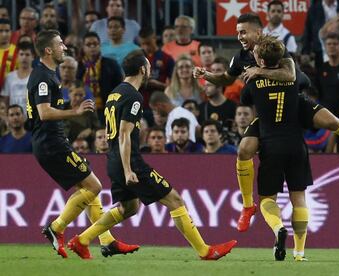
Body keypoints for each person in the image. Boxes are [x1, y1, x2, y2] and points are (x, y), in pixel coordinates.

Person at [193, 12, 339, 234]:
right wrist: (206, 75)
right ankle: (247, 206)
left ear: (258, 31)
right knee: (244, 150)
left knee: (332, 122)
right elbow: (226, 78)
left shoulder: (275, 47)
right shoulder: (240, 58)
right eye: (237, 33)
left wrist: (259, 70)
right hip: (266, 111)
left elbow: (290, 75)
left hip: (293, 99)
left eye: (243, 31)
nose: (240, 36)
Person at [67, 49, 237, 260]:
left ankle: (82, 240)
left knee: (128, 208)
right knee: (175, 200)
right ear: (142, 69)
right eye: (147, 66)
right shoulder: (134, 96)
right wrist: (129, 169)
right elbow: (124, 134)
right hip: (129, 161)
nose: (150, 69)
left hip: (113, 159)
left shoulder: (114, 93)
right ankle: (205, 251)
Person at [26, 30, 138, 259]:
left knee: (87, 187)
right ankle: (56, 228)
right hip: (50, 143)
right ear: (48, 50)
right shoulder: (42, 77)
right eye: (59, 44)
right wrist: (75, 111)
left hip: (52, 142)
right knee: (93, 187)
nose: (64, 48)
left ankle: (107, 242)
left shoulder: (48, 74)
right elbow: (44, 113)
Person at [241, 35, 312, 261]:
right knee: (299, 198)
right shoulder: (293, 78)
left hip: (271, 145)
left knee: (267, 200)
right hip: (296, 144)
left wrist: (259, 73)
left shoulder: (252, 80)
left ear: (260, 60)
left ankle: (278, 227)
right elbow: (305, 82)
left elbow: (245, 100)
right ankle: (299, 253)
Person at [77, 31, 123, 124]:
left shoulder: (111, 64)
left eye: (95, 44)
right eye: (88, 44)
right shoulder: (78, 66)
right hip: (82, 108)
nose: (92, 47)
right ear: (83, 48)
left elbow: (120, 86)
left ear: (100, 45)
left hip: (106, 108)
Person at [1, 42, 34, 115]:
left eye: (27, 54)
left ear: (33, 57)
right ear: (17, 56)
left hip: (32, 119)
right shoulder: (9, 77)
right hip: (13, 119)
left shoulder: (37, 76)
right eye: (21, 54)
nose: (24, 57)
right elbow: (5, 101)